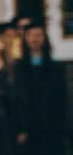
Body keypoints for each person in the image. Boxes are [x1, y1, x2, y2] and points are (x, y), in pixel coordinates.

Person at [12, 18, 67, 155]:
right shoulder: (19, 68)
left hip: (51, 125)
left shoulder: (55, 68)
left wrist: (63, 126)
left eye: (38, 35)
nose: (34, 39)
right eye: (30, 35)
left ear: (44, 38)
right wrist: (20, 128)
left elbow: (62, 98)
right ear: (25, 39)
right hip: (29, 126)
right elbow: (17, 99)